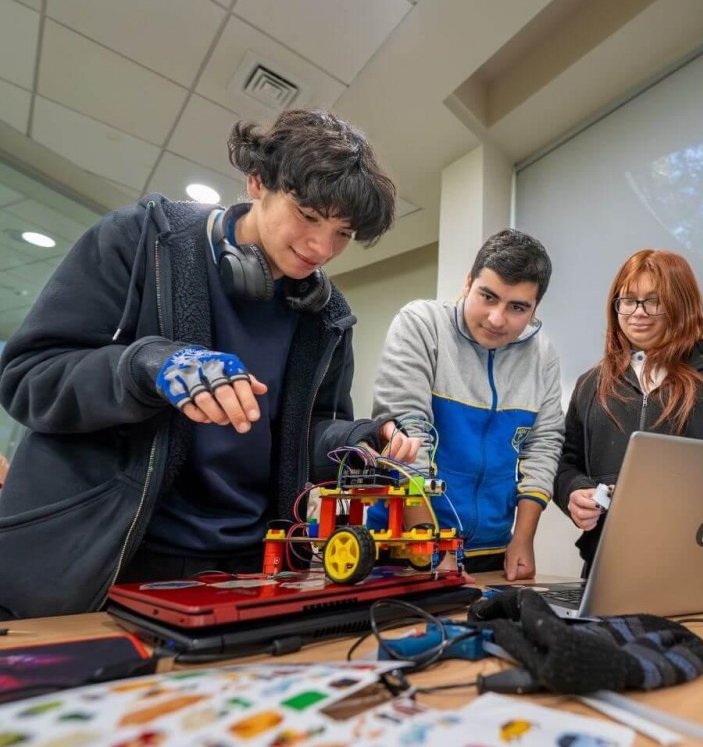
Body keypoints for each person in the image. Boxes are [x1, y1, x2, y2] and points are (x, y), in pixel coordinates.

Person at [0, 109, 420, 619]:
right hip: (109, 555)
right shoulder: (142, 242)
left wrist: (358, 443)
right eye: (309, 217)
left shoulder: (327, 318)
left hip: (251, 565)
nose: (321, 248)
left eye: (343, 234)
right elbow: (28, 378)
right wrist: (149, 366)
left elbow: (306, 436)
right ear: (257, 181)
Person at [554, 249, 703, 574]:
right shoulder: (591, 384)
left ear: (680, 305)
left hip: (700, 563)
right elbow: (565, 463)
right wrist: (574, 493)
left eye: (653, 301)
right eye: (627, 300)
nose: (637, 313)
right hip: (608, 563)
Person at [368, 229, 564, 580]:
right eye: (487, 297)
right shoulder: (421, 325)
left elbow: (544, 445)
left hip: (491, 554)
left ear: (535, 308)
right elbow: (408, 437)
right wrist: (431, 546)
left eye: (517, 307)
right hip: (404, 548)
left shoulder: (543, 355)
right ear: (468, 282)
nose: (496, 319)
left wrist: (523, 538)